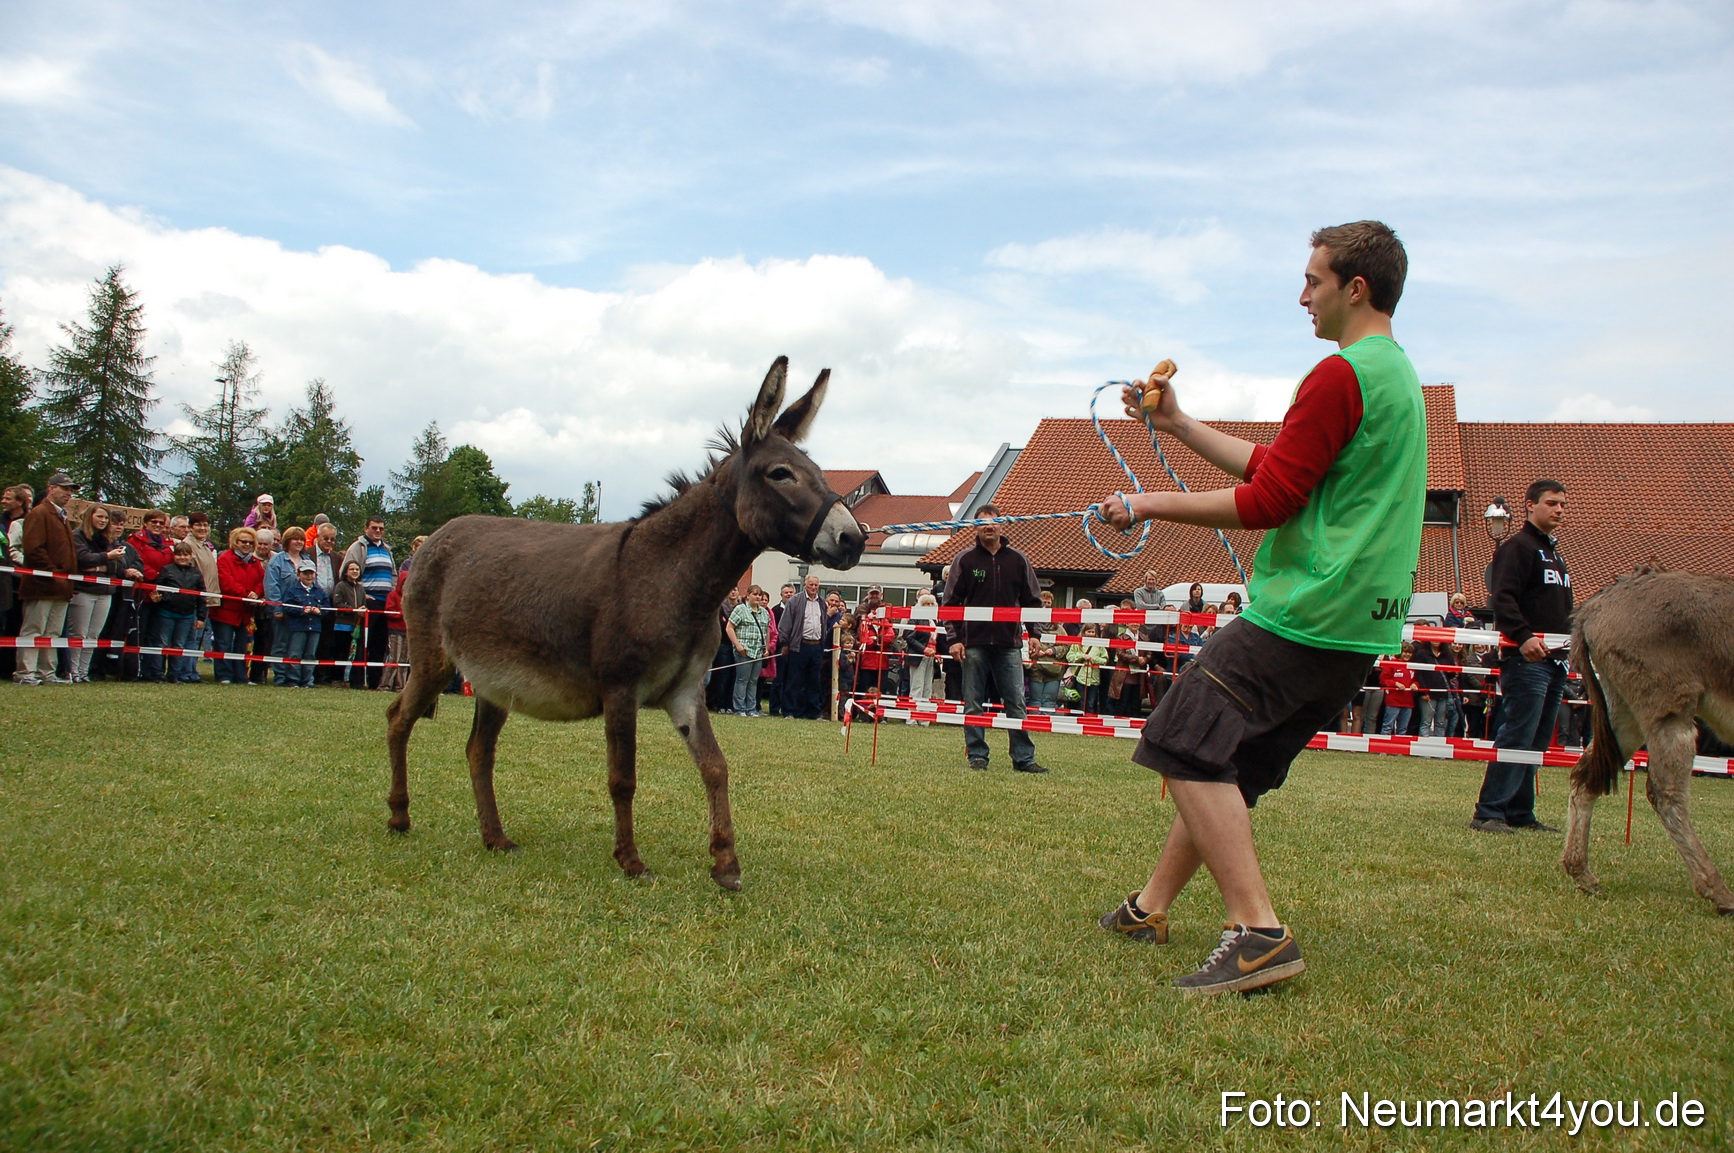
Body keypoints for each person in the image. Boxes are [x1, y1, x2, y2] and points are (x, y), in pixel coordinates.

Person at [1097, 221, 1425, 995]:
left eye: (1313, 280)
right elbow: (1283, 466)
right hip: (1356, 628)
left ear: (1355, 288)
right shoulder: (1395, 376)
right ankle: (1149, 908)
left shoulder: (1339, 375)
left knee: (1181, 739)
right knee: (1227, 767)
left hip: (1307, 610)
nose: (1301, 295)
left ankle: (1258, 932)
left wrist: (1146, 502)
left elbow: (1270, 499)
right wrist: (1176, 425)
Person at [1471, 479, 1572, 834]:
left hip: (1556, 659)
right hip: (1526, 660)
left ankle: (1519, 812)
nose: (1559, 510)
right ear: (1530, 505)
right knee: (1517, 735)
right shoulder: (1517, 548)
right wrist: (1524, 636)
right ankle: (1489, 812)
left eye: (1562, 504)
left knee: (1537, 740)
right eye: (1551, 503)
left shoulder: (1555, 555)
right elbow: (1503, 598)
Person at [943, 507, 1047, 773]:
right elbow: (950, 604)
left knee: (1016, 702)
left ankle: (1023, 758)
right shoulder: (964, 560)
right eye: (983, 523)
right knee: (973, 702)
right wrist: (954, 639)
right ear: (975, 527)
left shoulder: (1018, 560)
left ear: (1002, 526)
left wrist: (1035, 634)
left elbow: (1032, 601)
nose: (989, 527)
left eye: (994, 522)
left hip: (1009, 644)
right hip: (973, 644)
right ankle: (977, 755)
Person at [16, 472, 81, 685]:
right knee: (34, 629)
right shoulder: (39, 513)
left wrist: (65, 579)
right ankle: (26, 672)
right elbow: (33, 549)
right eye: (65, 489)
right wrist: (53, 573)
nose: (68, 494)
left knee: (52, 632)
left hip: (60, 586)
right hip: (41, 584)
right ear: (51, 488)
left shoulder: (60, 516)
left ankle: (47, 672)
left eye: (71, 490)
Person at [66, 504, 125, 684]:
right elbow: (83, 560)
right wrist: (107, 558)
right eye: (99, 516)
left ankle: (84, 671)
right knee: (78, 633)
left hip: (105, 591)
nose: (103, 520)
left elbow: (118, 566)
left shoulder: (109, 539)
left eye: (106, 518)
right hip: (84, 590)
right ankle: (72, 671)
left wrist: (100, 566)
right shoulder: (78, 536)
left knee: (93, 634)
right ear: (89, 516)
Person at [343, 518, 396, 689]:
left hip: (385, 603)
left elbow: (393, 574)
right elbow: (347, 572)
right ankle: (357, 680)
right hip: (367, 601)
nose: (378, 531)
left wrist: (392, 593)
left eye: (381, 528)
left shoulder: (387, 550)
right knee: (363, 642)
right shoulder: (358, 547)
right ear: (366, 528)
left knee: (380, 643)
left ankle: (374, 681)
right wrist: (361, 594)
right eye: (374, 528)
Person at [124, 510, 175, 682]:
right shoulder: (135, 541)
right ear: (145, 523)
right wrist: (158, 577)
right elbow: (138, 564)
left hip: (159, 596)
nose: (158, 525)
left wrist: (164, 586)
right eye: (154, 522)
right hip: (141, 595)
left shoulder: (167, 545)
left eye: (161, 523)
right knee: (139, 633)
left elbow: (171, 567)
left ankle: (153, 671)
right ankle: (134, 670)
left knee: (156, 636)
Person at [212, 527, 264, 684]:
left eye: (250, 542)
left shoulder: (255, 562)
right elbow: (226, 582)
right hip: (226, 610)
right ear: (235, 542)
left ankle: (241, 676)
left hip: (245, 612)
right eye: (243, 541)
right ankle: (224, 676)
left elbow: (262, 580)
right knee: (223, 643)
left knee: (242, 645)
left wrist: (256, 593)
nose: (247, 545)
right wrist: (246, 594)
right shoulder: (224, 559)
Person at [152, 541, 207, 683]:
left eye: (186, 555)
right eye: (179, 554)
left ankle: (174, 675)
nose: (182, 557)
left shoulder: (196, 573)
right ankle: (157, 674)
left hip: (187, 616)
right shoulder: (167, 570)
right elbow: (157, 587)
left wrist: (201, 617)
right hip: (166, 613)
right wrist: (159, 598)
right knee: (162, 644)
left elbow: (202, 596)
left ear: (191, 556)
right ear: (174, 555)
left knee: (179, 646)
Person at [778, 575, 828, 720]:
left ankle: (813, 712)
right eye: (811, 584)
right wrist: (785, 643)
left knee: (814, 681)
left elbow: (823, 623)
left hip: (817, 645)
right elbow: (785, 624)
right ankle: (790, 711)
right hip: (799, 645)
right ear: (805, 585)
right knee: (794, 680)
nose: (814, 587)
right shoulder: (795, 601)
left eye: (816, 585)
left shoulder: (822, 603)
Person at [265, 526, 307, 686]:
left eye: (301, 539)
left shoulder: (307, 560)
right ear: (287, 541)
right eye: (295, 539)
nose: (299, 542)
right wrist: (277, 608)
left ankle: (294, 677)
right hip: (283, 611)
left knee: (297, 647)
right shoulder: (277, 561)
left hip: (302, 613)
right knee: (280, 644)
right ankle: (280, 677)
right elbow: (271, 586)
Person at [280, 559, 331, 688]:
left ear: (315, 574)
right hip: (298, 627)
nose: (308, 576)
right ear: (299, 574)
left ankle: (307, 680)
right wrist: (301, 610)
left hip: (314, 627)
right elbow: (287, 606)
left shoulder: (319, 591)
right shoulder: (292, 590)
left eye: (311, 573)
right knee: (295, 654)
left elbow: (327, 607)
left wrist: (320, 611)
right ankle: (293, 680)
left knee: (310, 654)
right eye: (305, 573)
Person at [726, 585, 771, 716]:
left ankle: (751, 709)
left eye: (759, 595)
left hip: (758, 652)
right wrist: (738, 645)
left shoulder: (764, 612)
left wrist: (766, 648)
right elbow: (729, 628)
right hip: (744, 651)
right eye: (755, 594)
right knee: (742, 680)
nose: (758, 597)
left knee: (753, 681)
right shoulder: (740, 609)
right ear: (748, 595)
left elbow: (766, 632)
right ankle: (739, 708)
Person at [330, 560, 367, 688]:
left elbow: (363, 604)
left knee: (354, 654)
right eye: (352, 569)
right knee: (341, 652)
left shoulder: (361, 588)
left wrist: (362, 611)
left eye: (357, 569)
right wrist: (354, 610)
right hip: (342, 624)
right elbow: (338, 603)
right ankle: (336, 679)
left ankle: (352, 679)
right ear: (346, 572)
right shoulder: (340, 586)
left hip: (356, 625)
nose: (355, 571)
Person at [1379, 644, 1418, 735]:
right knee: (1387, 727)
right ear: (1400, 652)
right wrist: (1395, 684)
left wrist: (1415, 684)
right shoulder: (1392, 663)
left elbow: (1416, 680)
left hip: (1408, 702)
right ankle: (1383, 743)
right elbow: (1383, 679)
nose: (1407, 655)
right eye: (1405, 652)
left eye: (1410, 653)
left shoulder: (1412, 665)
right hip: (1393, 701)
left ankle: (1400, 744)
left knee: (1403, 729)